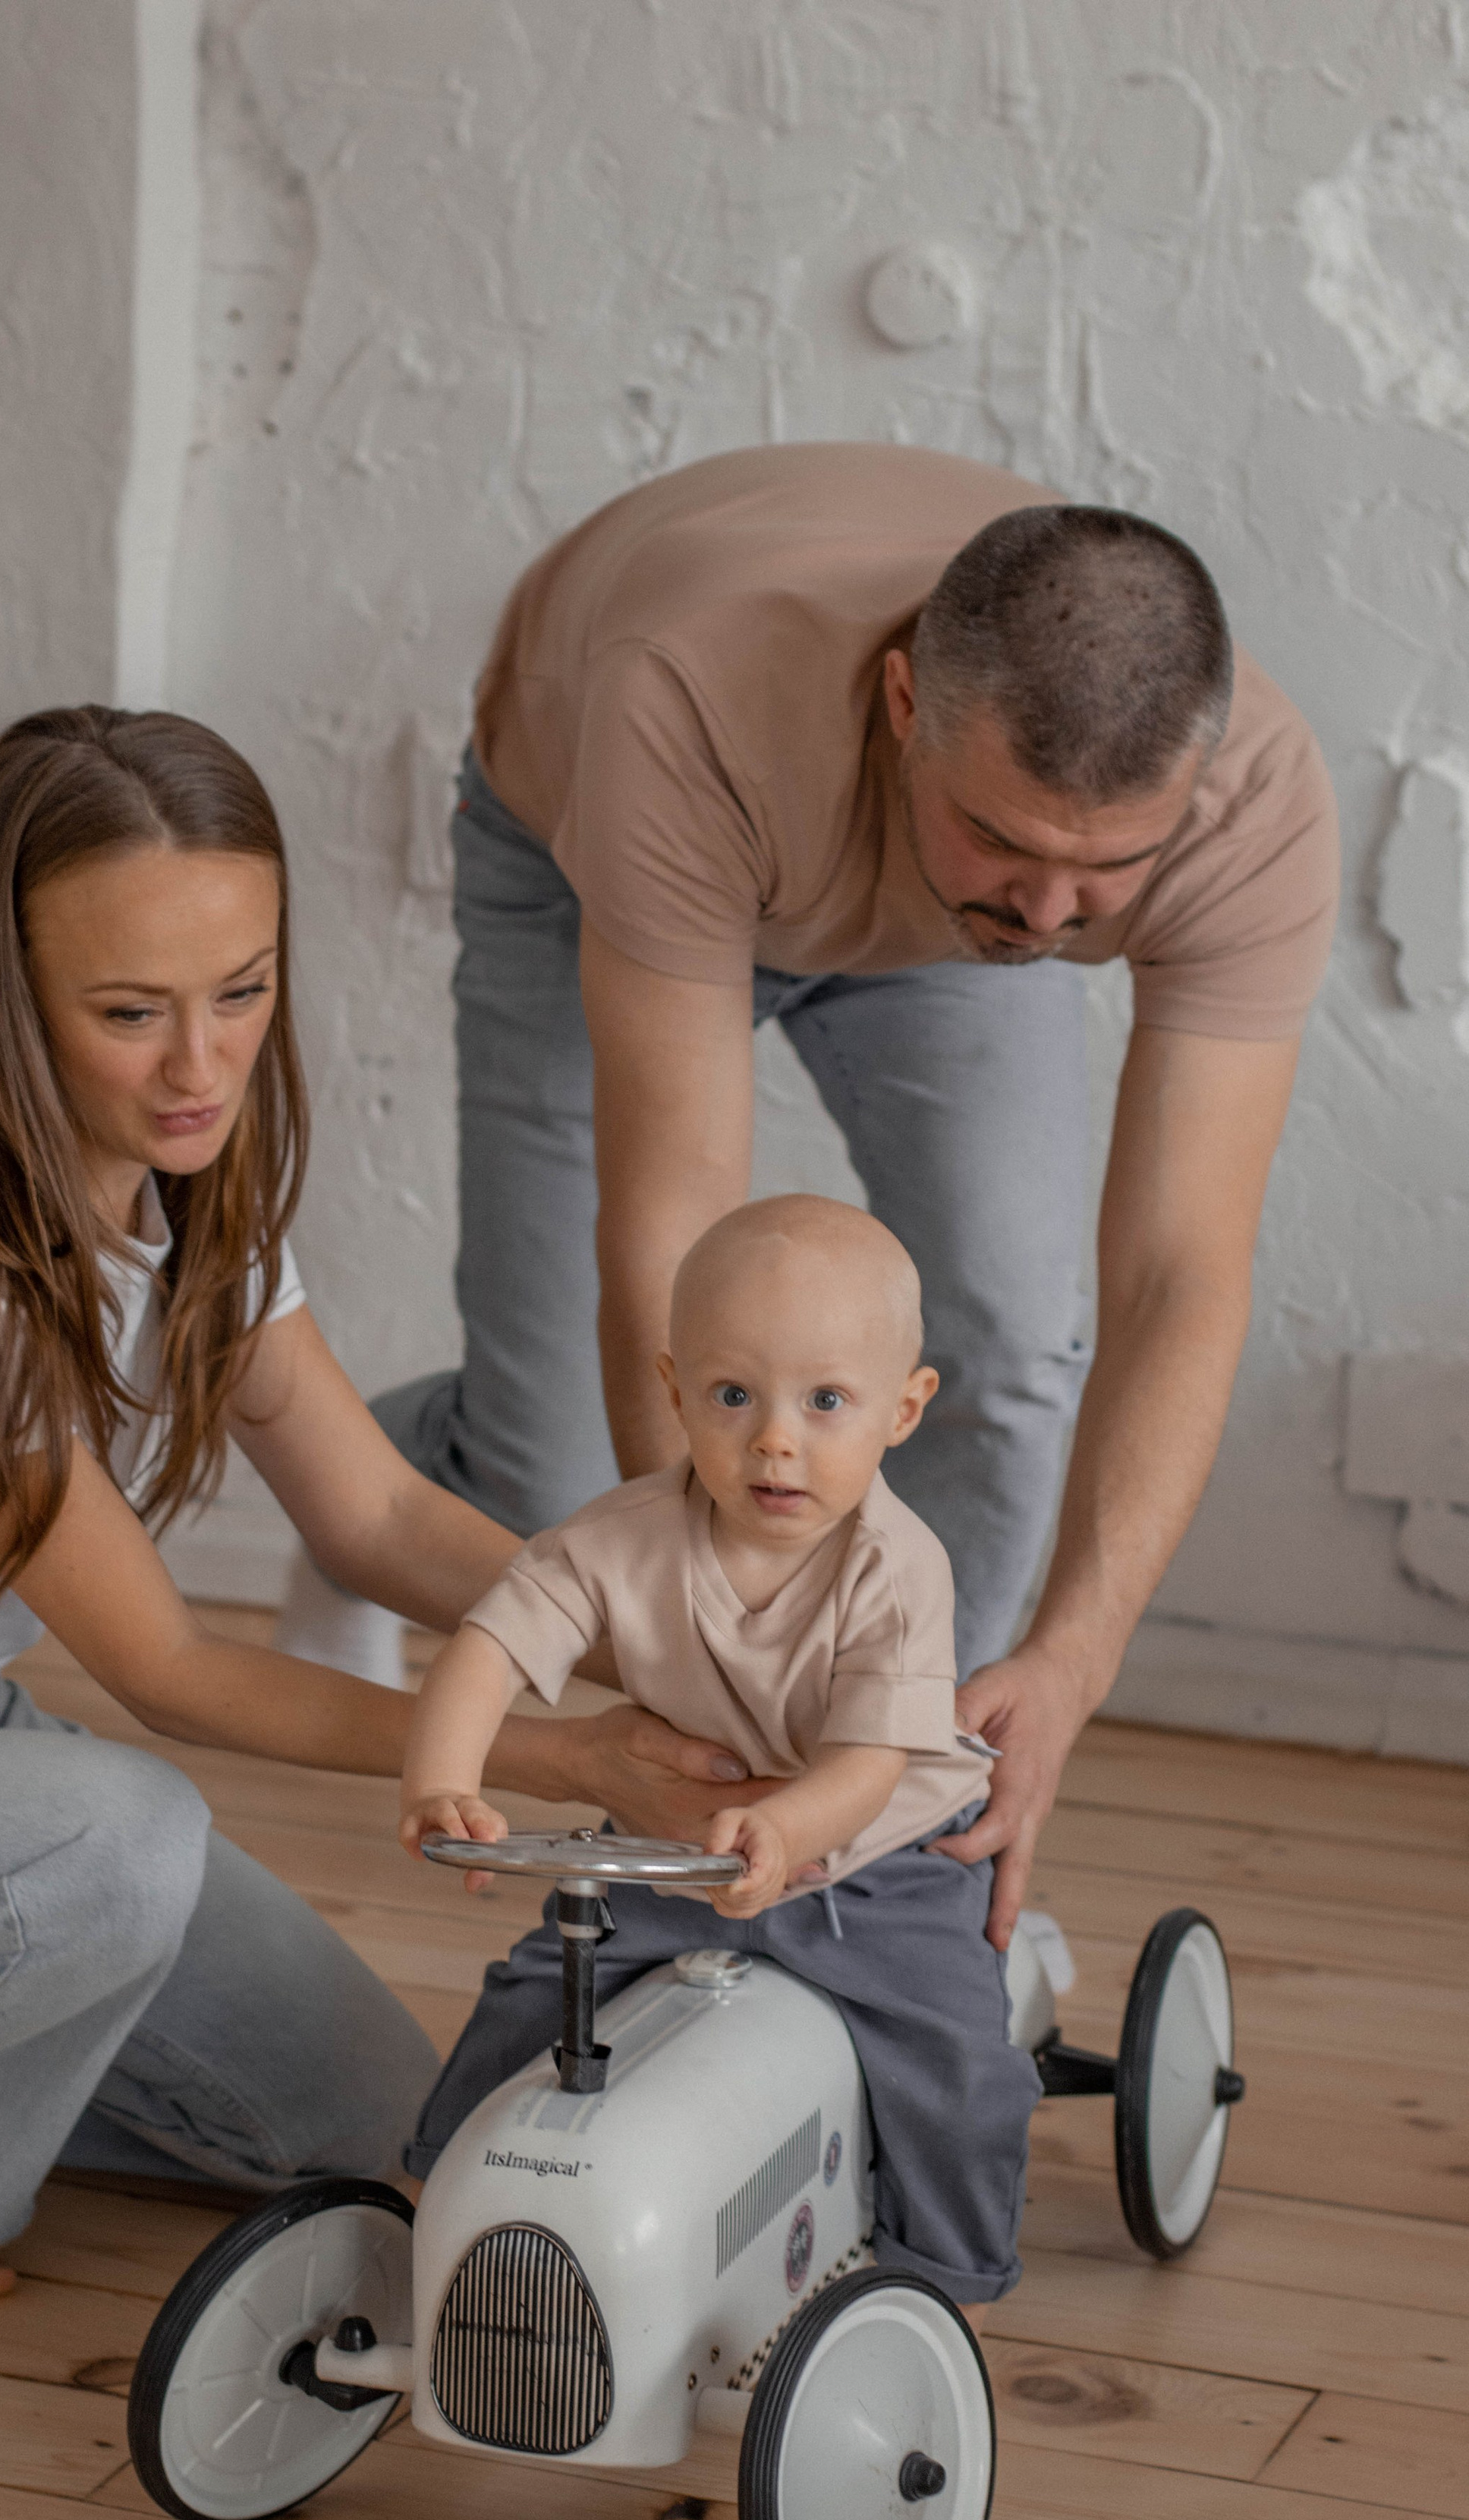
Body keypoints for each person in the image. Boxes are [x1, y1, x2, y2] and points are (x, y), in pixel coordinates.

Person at [0, 707, 759, 2312]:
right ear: (7, 1000)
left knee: (394, 2127)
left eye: (239, 993)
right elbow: (169, 1670)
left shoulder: (190, 1196)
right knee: (127, 1837)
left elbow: (375, 1518)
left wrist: (670, 1646)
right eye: (128, 1012)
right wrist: (561, 1756)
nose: (199, 1066)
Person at [304, 445, 1341, 1947]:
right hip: (601, 823)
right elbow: (674, 1232)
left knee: (1000, 1330)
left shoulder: (1237, 805)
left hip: (919, 936)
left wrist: (1064, 1663)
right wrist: (702, 1699)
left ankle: (918, 1846)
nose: (1051, 916)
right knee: (547, 1487)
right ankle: (367, 1479)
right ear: (907, 704)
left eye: (1106, 869)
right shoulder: (693, 696)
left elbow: (1177, 1272)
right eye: (1008, 840)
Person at [399, 1194, 1039, 2306]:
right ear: (674, 1389)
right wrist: (444, 1778)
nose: (774, 1440)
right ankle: (437, 2207)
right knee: (532, 1995)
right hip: (678, 1850)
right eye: (733, 1395)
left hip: (878, 1867)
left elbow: (872, 1767)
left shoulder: (898, 1567)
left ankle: (943, 2284)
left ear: (905, 1407)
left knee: (964, 2069)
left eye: (827, 1401)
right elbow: (491, 1645)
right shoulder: (618, 1539)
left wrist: (788, 1827)